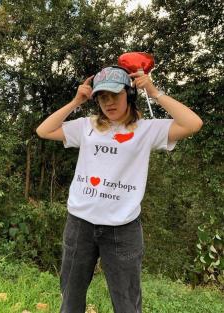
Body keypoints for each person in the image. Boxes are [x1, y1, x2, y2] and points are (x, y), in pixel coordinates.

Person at [36, 66, 203, 313]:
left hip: (123, 228)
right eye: (103, 97)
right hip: (80, 223)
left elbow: (193, 123)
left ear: (129, 94)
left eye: (115, 95)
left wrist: (154, 92)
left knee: (127, 302)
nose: (109, 102)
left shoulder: (147, 129)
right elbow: (44, 130)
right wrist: (75, 101)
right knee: (70, 296)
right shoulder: (87, 126)